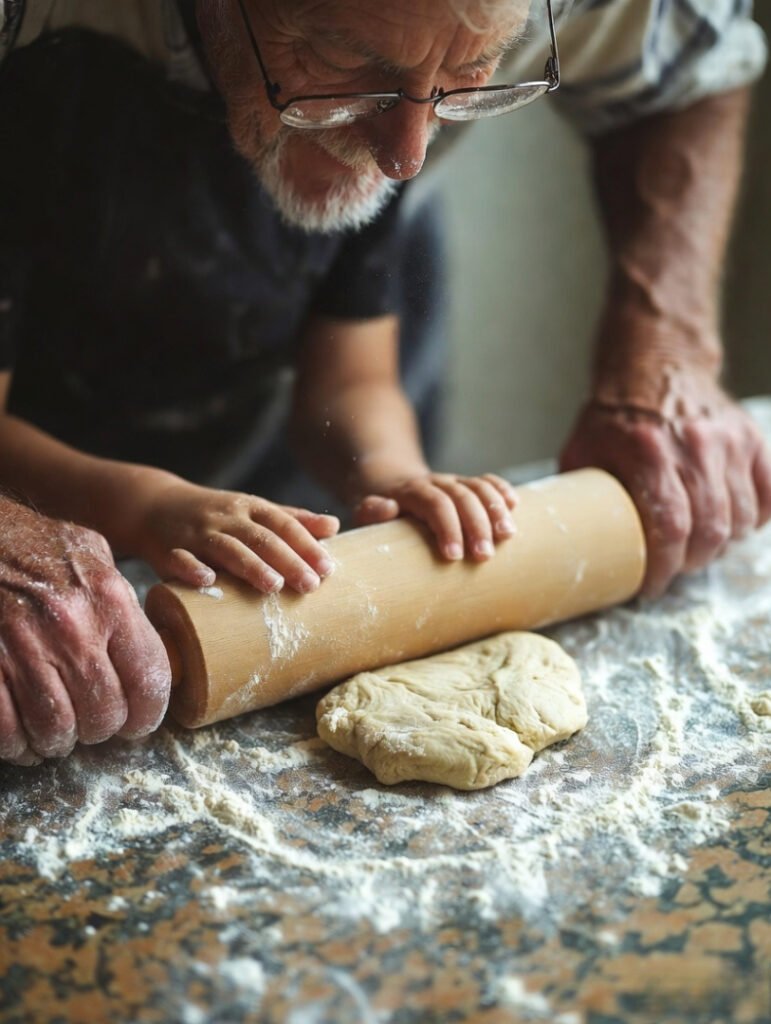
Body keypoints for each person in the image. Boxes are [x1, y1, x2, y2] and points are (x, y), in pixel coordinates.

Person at [0, 0, 768, 765]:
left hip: (220, 506)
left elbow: (350, 384)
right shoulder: (46, 119)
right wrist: (149, 505)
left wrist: (396, 477)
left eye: (466, 78)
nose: (407, 153)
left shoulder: (363, 150)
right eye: (347, 72)